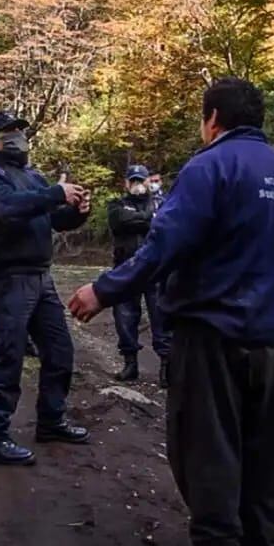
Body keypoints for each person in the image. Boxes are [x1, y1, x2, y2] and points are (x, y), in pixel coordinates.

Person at [69, 78, 274, 546]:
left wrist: (104, 290)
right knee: (261, 455)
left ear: (213, 119)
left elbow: (163, 246)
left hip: (213, 337)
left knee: (206, 450)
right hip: (271, 340)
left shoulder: (210, 168)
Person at [0, 112, 92, 466]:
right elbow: (9, 210)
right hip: (10, 279)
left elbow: (51, 218)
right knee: (9, 355)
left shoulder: (32, 177)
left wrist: (77, 212)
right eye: (9, 133)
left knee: (60, 351)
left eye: (21, 132)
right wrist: (55, 193)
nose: (18, 138)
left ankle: (51, 420)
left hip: (42, 278)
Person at [106, 164, 171, 386]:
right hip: (125, 268)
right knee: (124, 317)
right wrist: (149, 218)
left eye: (139, 180)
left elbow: (164, 224)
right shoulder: (117, 204)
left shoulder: (160, 203)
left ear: (147, 182)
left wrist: (144, 218)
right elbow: (119, 221)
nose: (136, 185)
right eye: (132, 180)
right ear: (126, 183)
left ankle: (166, 367)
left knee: (161, 317)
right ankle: (130, 364)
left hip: (156, 269)